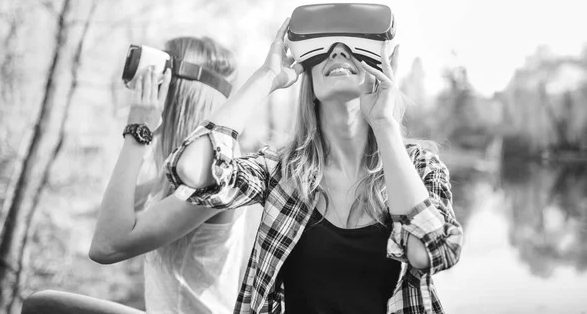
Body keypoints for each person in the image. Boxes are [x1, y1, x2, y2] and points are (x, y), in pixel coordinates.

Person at [163, 18, 464, 314]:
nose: (338, 51)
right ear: (307, 76)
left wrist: (385, 124)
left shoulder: (420, 167)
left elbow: (431, 251)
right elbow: (192, 171)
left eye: (355, 47)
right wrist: (266, 77)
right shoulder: (279, 171)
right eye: (324, 49)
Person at [23, 36, 257, 314]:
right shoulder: (172, 180)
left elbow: (105, 247)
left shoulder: (214, 172)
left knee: (44, 306)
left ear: (178, 93)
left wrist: (137, 132)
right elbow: (112, 213)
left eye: (160, 84)